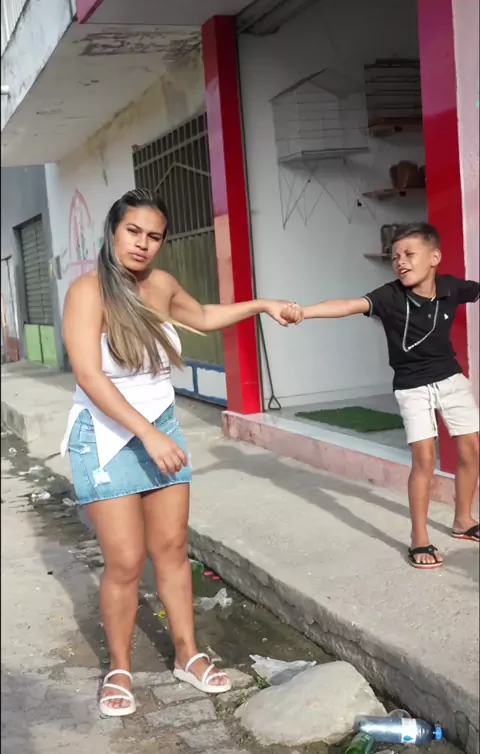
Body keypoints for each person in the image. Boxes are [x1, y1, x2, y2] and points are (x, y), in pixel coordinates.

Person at [61, 188, 302, 717]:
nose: (143, 244)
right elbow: (90, 377)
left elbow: (205, 315)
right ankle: (119, 667)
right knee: (126, 560)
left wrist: (263, 305)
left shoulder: (162, 284)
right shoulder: (88, 292)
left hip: (161, 427)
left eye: (154, 236)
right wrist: (147, 435)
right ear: (113, 230)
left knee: (171, 548)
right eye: (133, 232)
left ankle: (187, 654)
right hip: (106, 436)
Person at [299, 222, 479, 569]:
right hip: (412, 386)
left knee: (472, 448)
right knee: (424, 458)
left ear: (434, 257)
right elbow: (347, 305)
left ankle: (464, 520)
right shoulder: (389, 296)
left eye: (409, 254)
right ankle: (419, 538)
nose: (400, 262)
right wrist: (304, 312)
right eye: (395, 257)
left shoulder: (451, 287)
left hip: (451, 378)